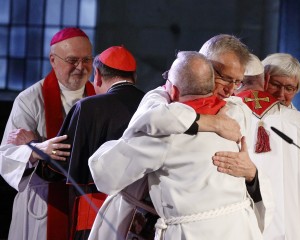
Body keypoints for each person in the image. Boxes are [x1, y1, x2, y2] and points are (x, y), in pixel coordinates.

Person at [89, 51, 271, 240]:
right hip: (240, 229)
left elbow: (104, 172)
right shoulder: (235, 114)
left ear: (173, 91)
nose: (231, 89)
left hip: (193, 233)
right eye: (226, 79)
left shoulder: (165, 132)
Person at [217, 53, 300, 239]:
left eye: (290, 88)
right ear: (263, 79)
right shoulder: (228, 115)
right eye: (275, 85)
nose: (281, 94)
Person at [32, 45, 145, 239]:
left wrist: (34, 147)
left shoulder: (87, 107)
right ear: (134, 77)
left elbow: (54, 170)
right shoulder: (152, 105)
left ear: (98, 75)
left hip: (96, 214)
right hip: (141, 217)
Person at [0, 27, 95, 240]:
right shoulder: (29, 100)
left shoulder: (98, 98)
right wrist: (38, 150)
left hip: (86, 203)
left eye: (87, 59)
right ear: (53, 60)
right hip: (42, 205)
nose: (81, 67)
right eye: (73, 60)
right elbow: (6, 156)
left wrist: (34, 142)